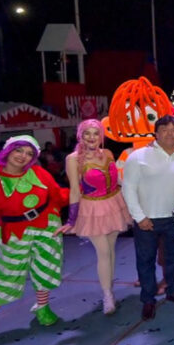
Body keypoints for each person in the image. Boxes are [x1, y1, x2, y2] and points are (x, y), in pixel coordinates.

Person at [0, 136, 69, 344]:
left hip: (46, 225)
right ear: (8, 151)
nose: (23, 157)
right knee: (8, 274)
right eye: (19, 151)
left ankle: (43, 308)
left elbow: (57, 194)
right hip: (14, 230)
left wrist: (79, 200)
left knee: (46, 267)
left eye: (29, 154)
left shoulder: (39, 173)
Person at [122, 115, 174, 321]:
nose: (169, 134)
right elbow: (128, 189)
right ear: (156, 133)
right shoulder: (138, 157)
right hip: (147, 220)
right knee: (145, 261)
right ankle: (148, 299)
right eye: (164, 129)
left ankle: (173, 291)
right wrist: (139, 217)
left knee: (173, 258)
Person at [56, 119, 133, 315]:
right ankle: (107, 295)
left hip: (114, 203)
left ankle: (110, 289)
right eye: (87, 133)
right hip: (92, 207)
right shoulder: (73, 159)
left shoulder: (107, 153)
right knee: (103, 252)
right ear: (80, 135)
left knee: (111, 250)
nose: (91, 137)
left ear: (102, 136)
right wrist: (72, 219)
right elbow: (74, 190)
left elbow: (118, 180)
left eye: (96, 133)